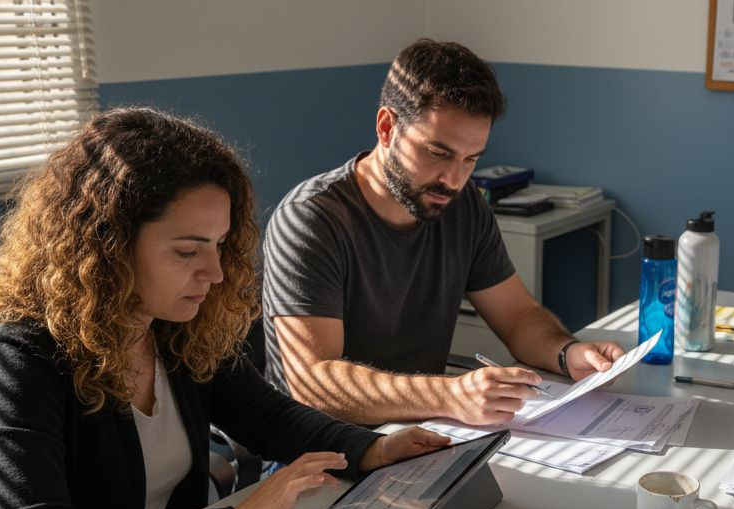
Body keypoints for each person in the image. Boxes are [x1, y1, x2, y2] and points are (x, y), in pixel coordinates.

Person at [0, 107, 450, 509]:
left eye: (220, 246)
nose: (215, 272)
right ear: (107, 245)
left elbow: (266, 416)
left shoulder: (173, 328)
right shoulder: (15, 356)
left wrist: (372, 449)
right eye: (187, 251)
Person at [261, 38, 625, 426]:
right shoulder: (310, 220)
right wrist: (449, 395)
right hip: (319, 449)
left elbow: (518, 315)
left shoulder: (462, 205)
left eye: (470, 159)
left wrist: (567, 353)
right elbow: (314, 385)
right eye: (438, 153)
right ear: (387, 128)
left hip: (419, 431)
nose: (453, 179)